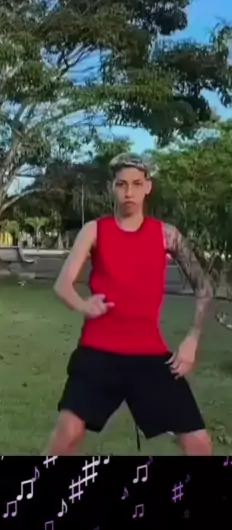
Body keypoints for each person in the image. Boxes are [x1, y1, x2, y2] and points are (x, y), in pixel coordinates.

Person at [47, 153, 214, 456]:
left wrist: (192, 338)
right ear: (112, 187)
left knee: (198, 443)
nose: (129, 192)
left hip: (149, 354)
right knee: (68, 433)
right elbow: (62, 285)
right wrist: (84, 305)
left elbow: (204, 287)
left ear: (148, 187)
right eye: (122, 184)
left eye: (137, 184)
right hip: (98, 351)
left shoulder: (166, 235)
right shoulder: (94, 230)